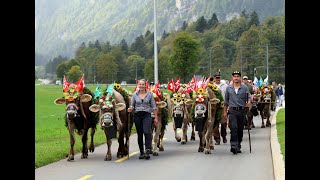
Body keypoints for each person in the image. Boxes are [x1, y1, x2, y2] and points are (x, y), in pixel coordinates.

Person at [128, 79, 158, 159]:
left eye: (143, 84)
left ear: (145, 85)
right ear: (138, 85)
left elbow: (154, 106)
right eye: (140, 84)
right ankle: (141, 152)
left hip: (147, 115)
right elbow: (132, 105)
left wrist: (156, 118)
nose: (141, 86)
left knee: (146, 131)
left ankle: (147, 150)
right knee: (140, 133)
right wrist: (130, 108)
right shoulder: (134, 95)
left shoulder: (150, 94)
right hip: (137, 115)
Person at [223, 71, 251, 154]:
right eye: (234, 76)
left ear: (240, 78)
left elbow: (248, 97)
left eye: (238, 76)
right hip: (232, 111)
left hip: (241, 110)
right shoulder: (229, 88)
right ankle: (233, 145)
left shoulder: (244, 87)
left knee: (240, 129)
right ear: (232, 78)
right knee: (234, 128)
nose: (236, 78)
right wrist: (225, 112)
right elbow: (226, 101)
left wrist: (248, 102)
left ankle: (238, 144)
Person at [212, 71, 228, 144]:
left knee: (224, 123)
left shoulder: (225, 86)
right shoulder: (211, 86)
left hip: (223, 106)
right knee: (215, 123)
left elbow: (228, 96)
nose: (218, 79)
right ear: (214, 78)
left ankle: (224, 136)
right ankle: (217, 138)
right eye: (216, 78)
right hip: (214, 107)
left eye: (219, 77)